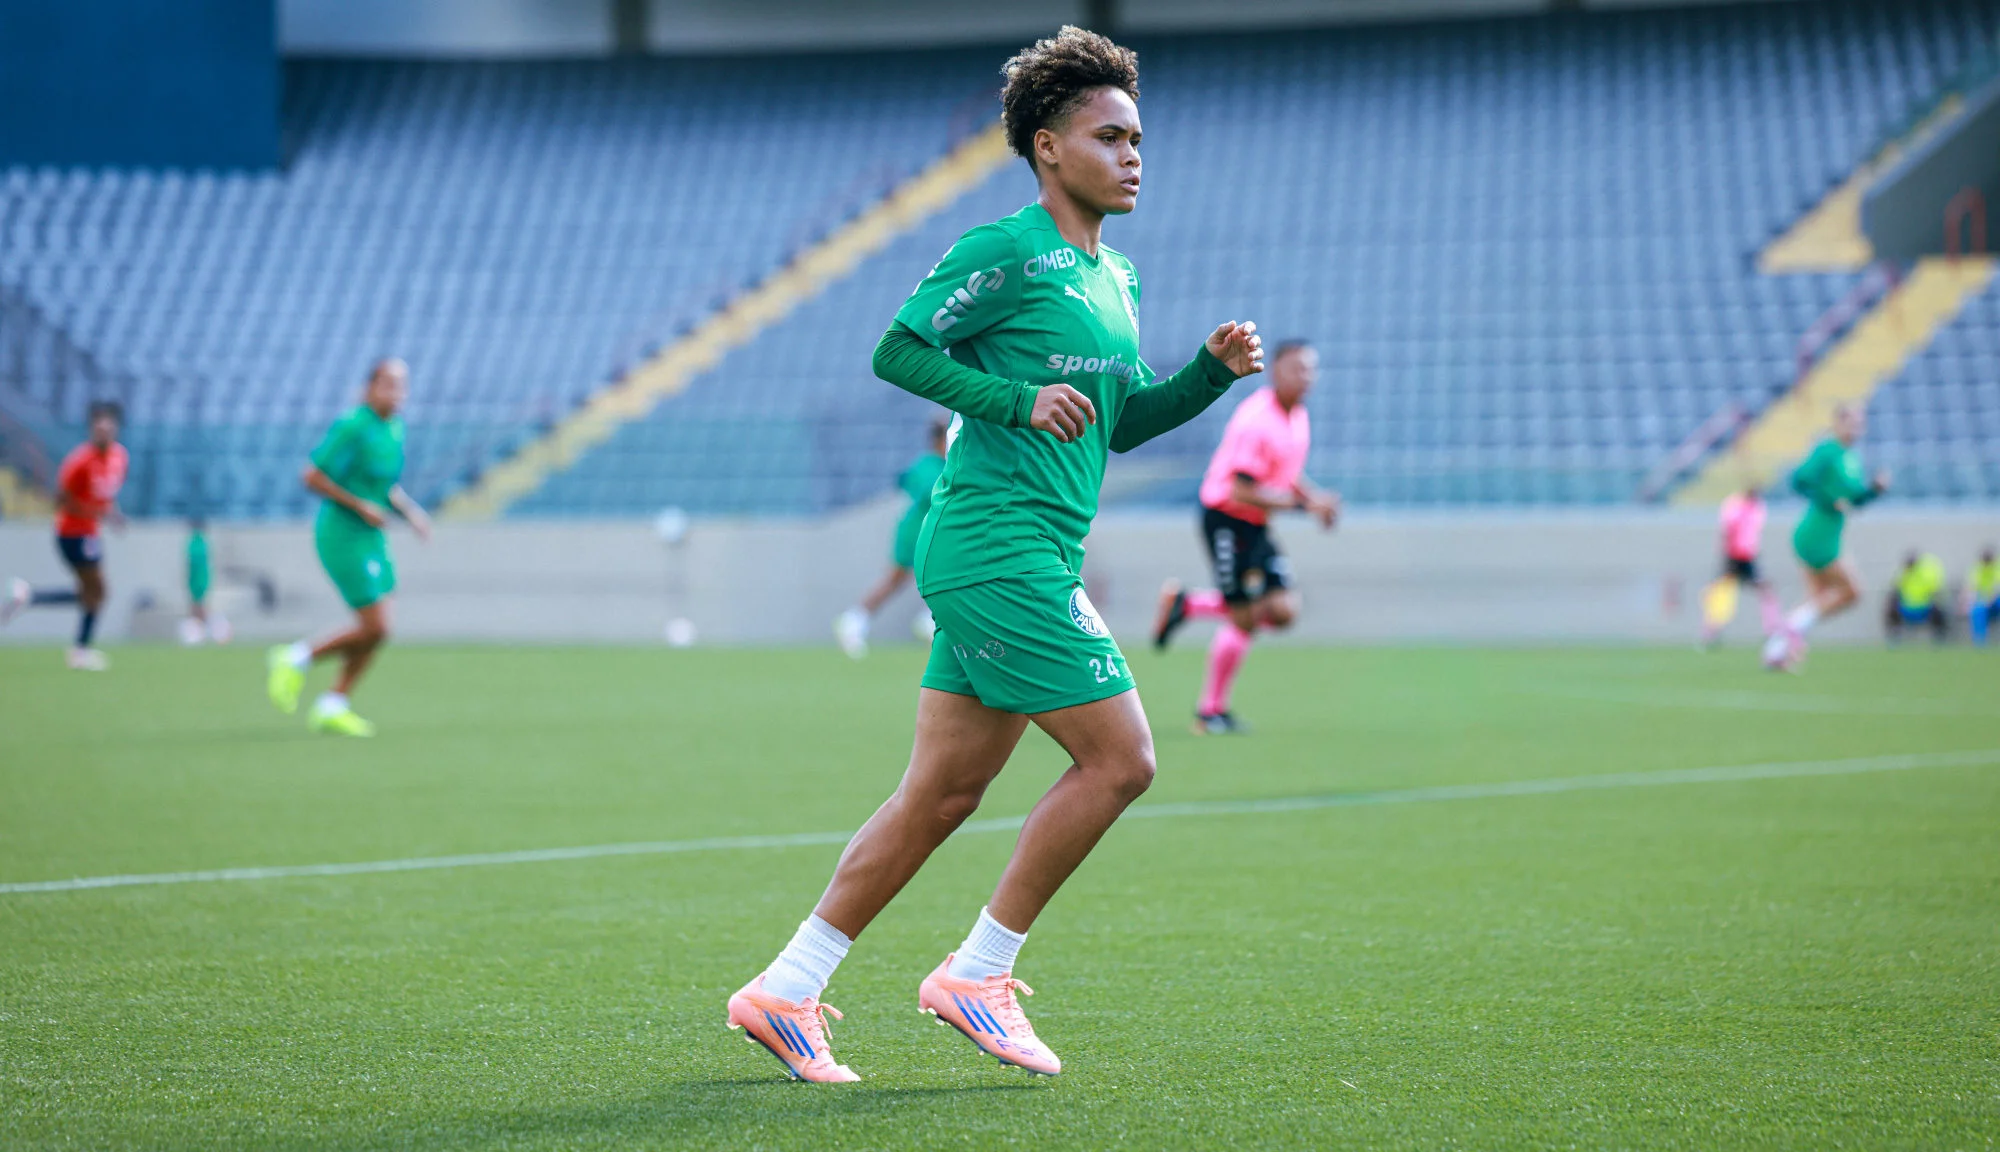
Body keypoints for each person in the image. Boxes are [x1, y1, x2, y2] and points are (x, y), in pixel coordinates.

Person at [725, 27, 1264, 1083]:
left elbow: (1110, 422)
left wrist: (1204, 376)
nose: (1132, 154)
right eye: (1109, 136)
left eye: (1138, 137)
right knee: (1120, 761)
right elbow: (897, 347)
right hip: (994, 549)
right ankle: (977, 972)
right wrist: (1014, 397)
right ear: (1048, 148)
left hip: (1027, 556)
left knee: (938, 797)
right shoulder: (1005, 251)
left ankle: (783, 989)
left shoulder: (1119, 281)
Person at [1150, 340, 1338, 733]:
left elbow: (1284, 475)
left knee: (1283, 610)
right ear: (1275, 372)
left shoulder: (1297, 416)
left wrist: (1315, 499)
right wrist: (1303, 508)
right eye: (1296, 369)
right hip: (1226, 518)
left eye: (1310, 369)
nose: (1305, 377)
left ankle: (1189, 605)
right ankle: (1209, 712)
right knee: (1244, 617)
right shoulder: (1258, 420)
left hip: (1254, 521)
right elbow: (1240, 490)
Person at [265, 359, 430, 735]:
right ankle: (295, 658)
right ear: (369, 387)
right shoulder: (353, 424)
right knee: (377, 624)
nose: (396, 392)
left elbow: (383, 486)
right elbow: (312, 475)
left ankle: (333, 703)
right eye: (388, 384)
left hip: (372, 536)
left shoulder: (395, 428)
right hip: (342, 533)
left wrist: (411, 514)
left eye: (402, 385)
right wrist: (360, 507)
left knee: (378, 629)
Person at [1, 400, 128, 669]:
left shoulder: (120, 458)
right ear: (93, 429)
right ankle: (79, 649)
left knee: (93, 592)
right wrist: (96, 512)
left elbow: (106, 495)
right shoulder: (79, 462)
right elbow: (61, 500)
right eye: (99, 426)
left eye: (109, 425)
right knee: (96, 590)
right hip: (72, 531)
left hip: (90, 531)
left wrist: (112, 513)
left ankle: (31, 598)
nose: (104, 430)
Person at [1762, 404, 1889, 671]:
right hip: (1817, 534)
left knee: (1816, 599)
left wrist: (1874, 490)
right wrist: (1830, 500)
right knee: (1852, 591)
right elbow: (1799, 480)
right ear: (1838, 424)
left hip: (1828, 533)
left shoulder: (1849, 457)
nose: (1856, 429)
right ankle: (1790, 632)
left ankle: (1777, 649)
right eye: (1851, 423)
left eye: (1859, 424)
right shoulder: (1828, 450)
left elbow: (1854, 500)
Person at [834, 417, 949, 658]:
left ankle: (928, 620)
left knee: (913, 579)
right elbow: (930, 492)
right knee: (898, 578)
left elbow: (904, 481)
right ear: (940, 440)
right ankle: (856, 619)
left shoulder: (935, 464)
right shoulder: (931, 465)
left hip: (925, 532)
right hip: (916, 533)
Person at [1698, 486, 1779, 648]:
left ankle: (1771, 629)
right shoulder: (1734, 505)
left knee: (1765, 591)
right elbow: (1727, 530)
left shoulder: (1757, 506)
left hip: (1748, 556)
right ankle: (1711, 631)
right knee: (1720, 592)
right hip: (1734, 556)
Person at [178, 515, 231, 646]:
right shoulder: (202, 541)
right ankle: (202, 633)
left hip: (198, 579)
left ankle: (215, 632)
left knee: (198, 607)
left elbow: (193, 562)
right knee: (198, 606)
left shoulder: (195, 542)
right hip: (201, 578)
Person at [1884, 550, 1948, 643]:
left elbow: (1935, 591)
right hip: (1906, 609)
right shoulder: (1903, 575)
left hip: (1924, 609)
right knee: (1891, 610)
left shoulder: (1925, 574)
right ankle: (1894, 638)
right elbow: (1895, 589)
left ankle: (1939, 638)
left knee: (1938, 611)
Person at [1967, 547, 1998, 646]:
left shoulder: (1997, 568)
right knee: (1977, 610)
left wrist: (1990, 599)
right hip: (1984, 601)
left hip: (1996, 600)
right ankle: (1980, 641)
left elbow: (1997, 588)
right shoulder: (1977, 569)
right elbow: (1972, 588)